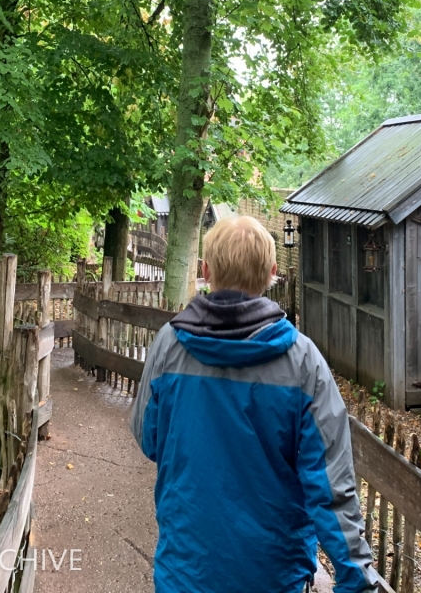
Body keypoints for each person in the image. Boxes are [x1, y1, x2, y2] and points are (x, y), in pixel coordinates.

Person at [130, 216, 379, 593]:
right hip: (273, 573)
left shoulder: (169, 345)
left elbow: (149, 437)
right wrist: (355, 578)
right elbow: (331, 484)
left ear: (205, 270)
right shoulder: (302, 361)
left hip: (187, 567)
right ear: (273, 273)